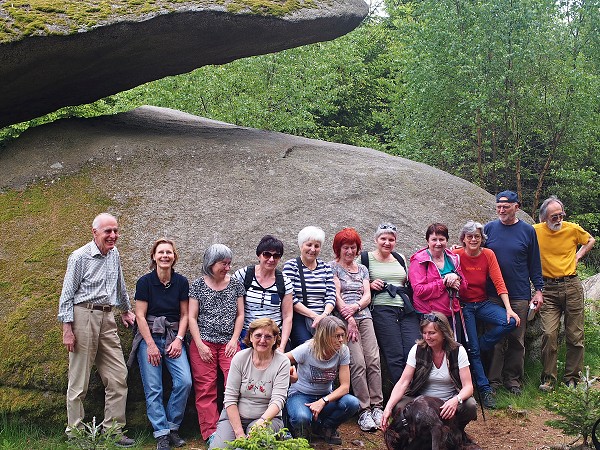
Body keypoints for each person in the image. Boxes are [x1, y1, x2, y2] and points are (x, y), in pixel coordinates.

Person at [57, 213, 136, 447]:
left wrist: (125, 310)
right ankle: (76, 433)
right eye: (107, 231)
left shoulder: (115, 254)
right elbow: (67, 294)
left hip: (108, 317)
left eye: (115, 231)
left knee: (118, 376)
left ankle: (113, 430)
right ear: (94, 232)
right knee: (79, 380)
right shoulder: (80, 257)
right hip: (83, 316)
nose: (113, 236)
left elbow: (120, 283)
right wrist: (67, 329)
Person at [128, 239, 192, 450]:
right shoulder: (145, 282)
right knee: (153, 387)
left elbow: (184, 314)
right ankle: (161, 433)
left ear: (174, 257)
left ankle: (173, 427)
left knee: (184, 381)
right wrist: (151, 345)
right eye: (161, 252)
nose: (165, 256)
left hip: (174, 336)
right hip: (150, 336)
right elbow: (139, 315)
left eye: (169, 252)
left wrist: (179, 340)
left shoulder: (181, 282)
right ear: (154, 256)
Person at [381, 312, 477, 442]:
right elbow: (403, 382)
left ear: (444, 333)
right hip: (422, 403)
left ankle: (456, 430)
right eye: (424, 333)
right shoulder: (417, 349)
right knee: (398, 406)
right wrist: (388, 408)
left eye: (432, 333)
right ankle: (421, 434)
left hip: (448, 402)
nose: (427, 337)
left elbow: (468, 387)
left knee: (470, 405)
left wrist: (456, 400)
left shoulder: (458, 351)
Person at [454, 221, 520, 409]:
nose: (473, 239)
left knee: (510, 322)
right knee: (472, 349)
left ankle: (478, 346)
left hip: (482, 303)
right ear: (463, 239)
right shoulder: (456, 255)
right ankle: (484, 389)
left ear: (482, 239)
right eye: (469, 236)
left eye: (477, 236)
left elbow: (499, 281)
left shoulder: (488, 254)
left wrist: (508, 308)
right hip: (464, 306)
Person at [484, 190, 544, 395]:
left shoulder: (527, 231)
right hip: (492, 294)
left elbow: (535, 263)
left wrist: (539, 290)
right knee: (496, 338)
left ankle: (513, 381)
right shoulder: (489, 229)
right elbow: (475, 252)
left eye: (506, 206)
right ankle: (493, 382)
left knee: (517, 339)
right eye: (498, 207)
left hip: (519, 294)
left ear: (516, 207)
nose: (501, 210)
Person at [534, 196, 595, 391]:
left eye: (561, 215)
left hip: (572, 286)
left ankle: (573, 379)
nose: (559, 219)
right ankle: (548, 379)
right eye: (554, 216)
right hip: (548, 289)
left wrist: (578, 255)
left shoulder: (572, 229)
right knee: (549, 334)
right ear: (544, 218)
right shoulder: (534, 231)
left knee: (575, 335)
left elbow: (590, 240)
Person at [188, 244, 245, 445]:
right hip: (203, 343)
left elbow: (240, 315)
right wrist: (200, 344)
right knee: (205, 388)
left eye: (229, 263)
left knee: (234, 385)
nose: (227, 267)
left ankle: (233, 427)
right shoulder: (197, 285)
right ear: (210, 264)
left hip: (229, 343)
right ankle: (211, 432)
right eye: (223, 263)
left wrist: (234, 340)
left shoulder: (236, 284)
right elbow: (192, 317)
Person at [329, 228, 384, 432]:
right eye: (346, 247)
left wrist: (358, 308)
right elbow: (336, 296)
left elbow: (367, 295)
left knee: (373, 360)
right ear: (338, 249)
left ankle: (378, 406)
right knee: (357, 363)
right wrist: (349, 317)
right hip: (343, 321)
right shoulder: (332, 268)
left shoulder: (362, 269)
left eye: (353, 247)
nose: (350, 251)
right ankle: (363, 409)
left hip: (364, 316)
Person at [209, 318, 291, 449]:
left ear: (275, 339)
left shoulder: (283, 362)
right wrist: (238, 432)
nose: (262, 340)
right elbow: (230, 398)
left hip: (268, 419)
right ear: (251, 337)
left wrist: (262, 422)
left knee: (254, 446)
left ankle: (276, 436)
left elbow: (278, 399)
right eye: (258, 335)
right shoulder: (240, 358)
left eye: (268, 336)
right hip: (235, 417)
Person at [285, 316, 360, 445]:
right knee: (301, 417)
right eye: (336, 336)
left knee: (352, 403)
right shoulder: (307, 349)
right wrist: (292, 370)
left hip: (325, 396)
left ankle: (325, 427)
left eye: (343, 335)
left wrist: (323, 401)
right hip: (300, 395)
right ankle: (302, 431)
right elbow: (281, 361)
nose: (341, 340)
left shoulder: (343, 351)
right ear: (325, 336)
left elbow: (345, 387)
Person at [363, 223, 421, 385]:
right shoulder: (365, 258)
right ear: (376, 240)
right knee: (394, 354)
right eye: (383, 238)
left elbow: (408, 282)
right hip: (382, 309)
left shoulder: (399, 257)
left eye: (391, 239)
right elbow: (354, 279)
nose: (387, 242)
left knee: (414, 350)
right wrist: (370, 284)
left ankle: (416, 391)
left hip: (405, 309)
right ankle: (402, 397)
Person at [233, 235, 293, 353]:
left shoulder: (284, 281)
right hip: (247, 334)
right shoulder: (243, 275)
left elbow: (287, 317)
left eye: (276, 256)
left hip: (273, 335)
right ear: (258, 255)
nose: (271, 259)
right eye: (267, 254)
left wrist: (282, 346)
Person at [409, 223, 467, 342]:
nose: (438, 243)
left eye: (442, 239)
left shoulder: (453, 258)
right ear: (427, 241)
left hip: (452, 315)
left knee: (452, 351)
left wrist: (457, 278)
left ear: (447, 240)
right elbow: (419, 291)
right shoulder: (419, 260)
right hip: (429, 318)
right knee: (432, 353)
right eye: (434, 239)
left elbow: (464, 288)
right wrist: (444, 282)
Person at [282, 226, 336, 349]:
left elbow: (331, 294)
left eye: (317, 246)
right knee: (308, 349)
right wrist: (313, 316)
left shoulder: (325, 267)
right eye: (309, 245)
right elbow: (291, 298)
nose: (313, 249)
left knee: (329, 350)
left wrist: (324, 315)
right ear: (301, 245)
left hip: (324, 317)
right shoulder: (291, 266)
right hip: (301, 318)